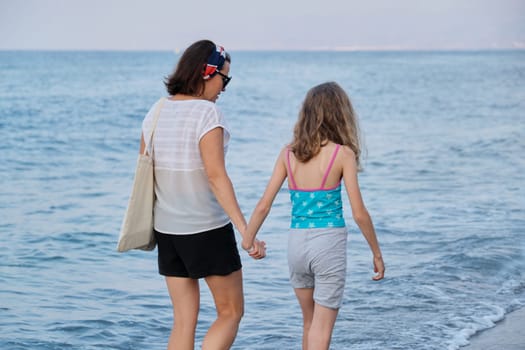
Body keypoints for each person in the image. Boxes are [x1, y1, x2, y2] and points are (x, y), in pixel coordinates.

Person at [140, 40, 266, 350]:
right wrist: (246, 230)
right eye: (225, 78)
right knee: (231, 312)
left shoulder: (155, 112)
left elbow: (145, 173)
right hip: (206, 228)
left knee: (183, 320)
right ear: (206, 73)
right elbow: (216, 176)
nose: (225, 87)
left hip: (168, 231)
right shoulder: (208, 115)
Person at [243, 82, 385, 350]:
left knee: (309, 323)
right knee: (322, 328)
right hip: (327, 244)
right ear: (340, 114)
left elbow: (264, 204)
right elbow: (359, 213)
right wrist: (376, 253)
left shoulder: (288, 154)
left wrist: (248, 240)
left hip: (296, 244)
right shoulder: (343, 154)